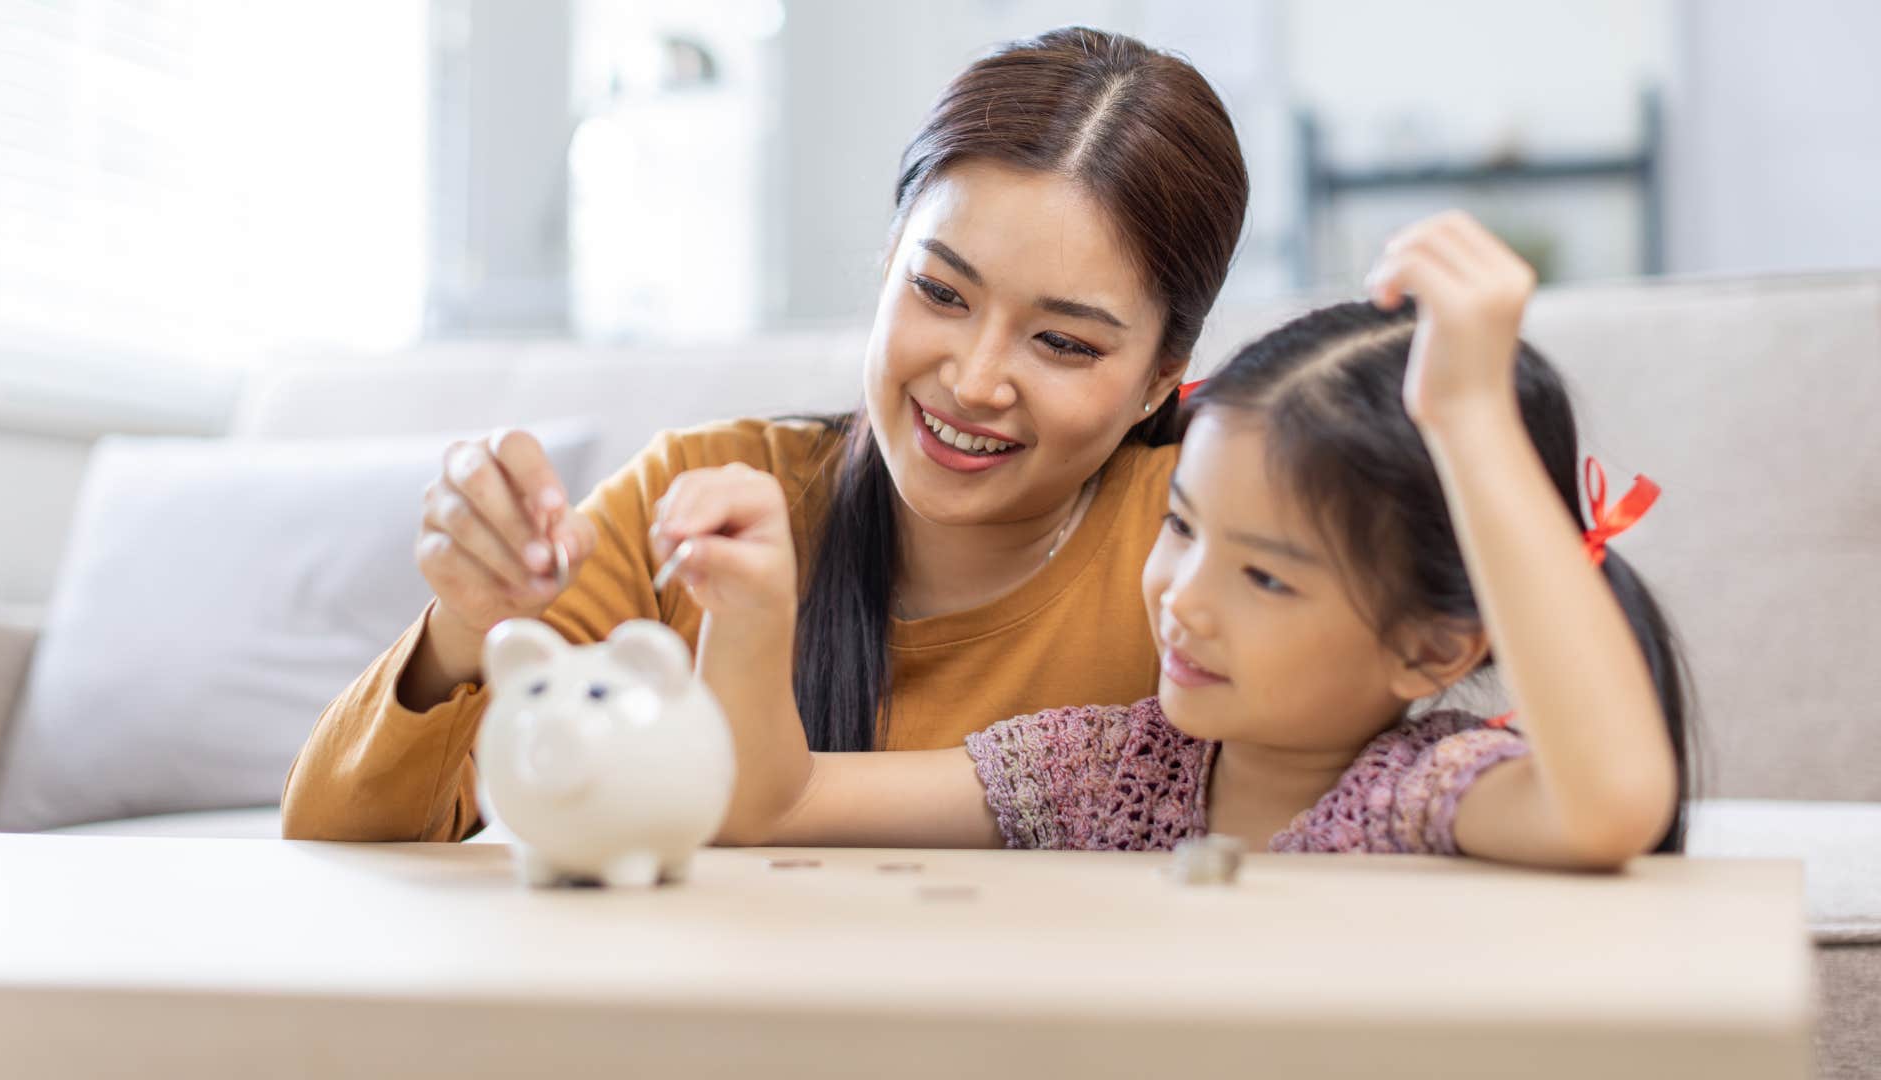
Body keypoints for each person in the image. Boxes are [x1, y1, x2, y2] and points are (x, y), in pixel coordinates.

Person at [280, 27, 1250, 842]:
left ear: (1159, 379)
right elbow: (335, 839)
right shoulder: (701, 497)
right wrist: (463, 626)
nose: (974, 379)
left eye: (1063, 342)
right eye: (940, 292)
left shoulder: (1203, 553)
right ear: (885, 264)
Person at [680, 212, 1691, 869]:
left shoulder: (1422, 796)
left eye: (1264, 575)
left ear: (1430, 646)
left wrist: (1468, 417)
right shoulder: (1109, 768)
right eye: (1181, 527)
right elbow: (775, 804)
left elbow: (1611, 803)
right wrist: (754, 612)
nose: (1183, 598)